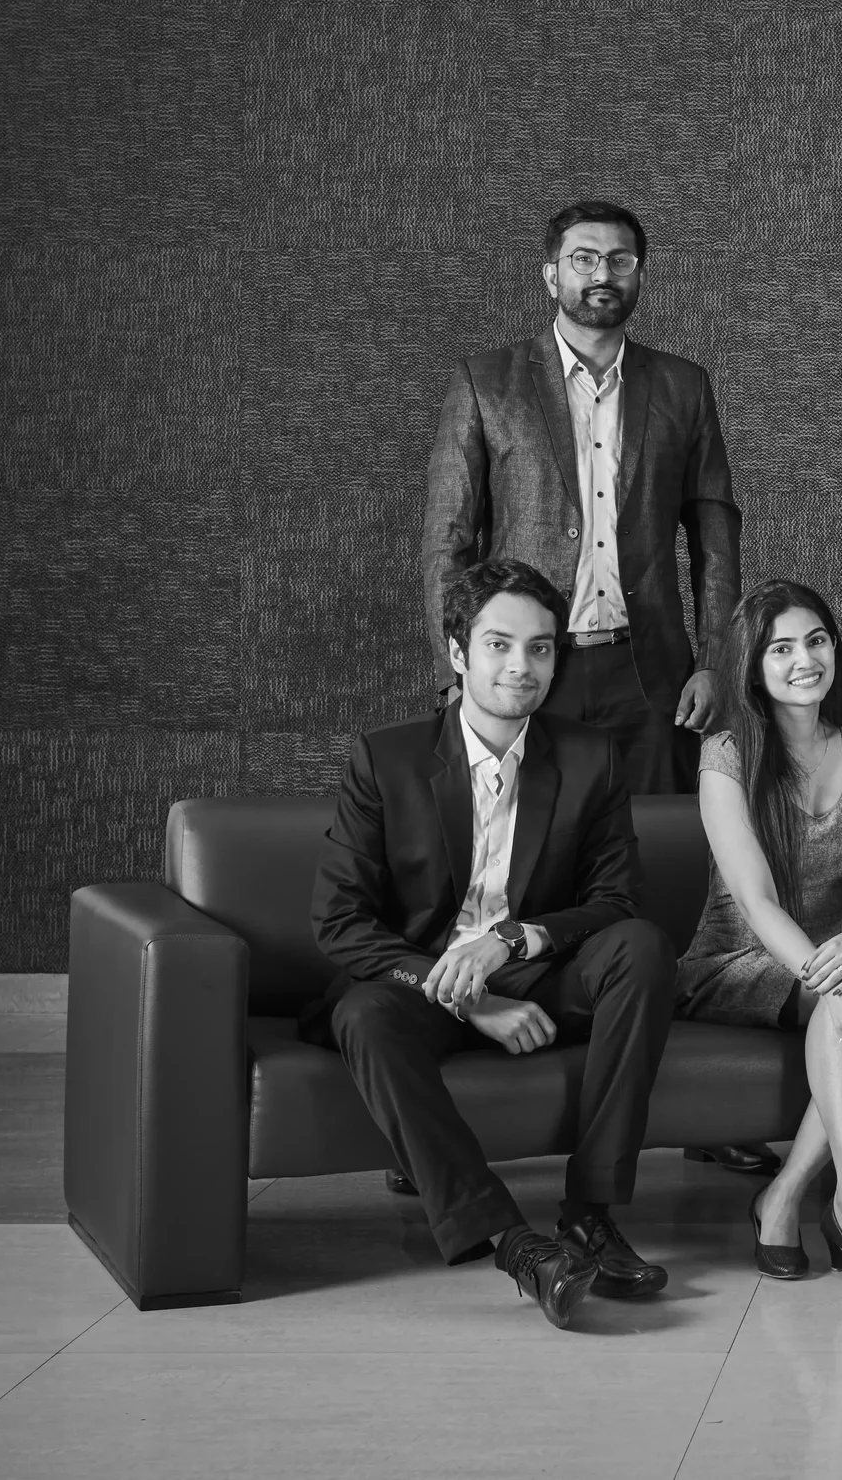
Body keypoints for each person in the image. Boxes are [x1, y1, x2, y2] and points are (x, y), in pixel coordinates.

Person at [421, 199, 764, 1178]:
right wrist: (460, 678)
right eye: (581, 258)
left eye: (618, 258)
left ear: (641, 274)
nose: (600, 272)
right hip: (525, 672)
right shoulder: (489, 383)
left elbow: (716, 529)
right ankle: (448, 1097)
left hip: (649, 673)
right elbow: (450, 543)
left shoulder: (681, 387)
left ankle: (694, 1103)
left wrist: (714, 661)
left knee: (664, 880)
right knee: (497, 871)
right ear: (549, 274)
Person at [306, 559, 676, 1329]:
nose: (522, 667)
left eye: (541, 649)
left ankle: (591, 1213)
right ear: (456, 651)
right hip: (421, 985)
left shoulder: (587, 757)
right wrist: (474, 1004)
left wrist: (513, 943)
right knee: (362, 1017)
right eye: (500, 644)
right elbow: (340, 923)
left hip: (536, 970)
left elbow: (615, 902)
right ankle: (517, 1245)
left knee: (640, 946)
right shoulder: (388, 759)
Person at [677, 579, 842, 1287]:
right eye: (782, 648)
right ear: (753, 667)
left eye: (816, 640)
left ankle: (785, 1193)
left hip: (835, 953)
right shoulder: (726, 754)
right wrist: (836, 981)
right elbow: (756, 901)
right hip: (738, 960)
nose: (804, 660)